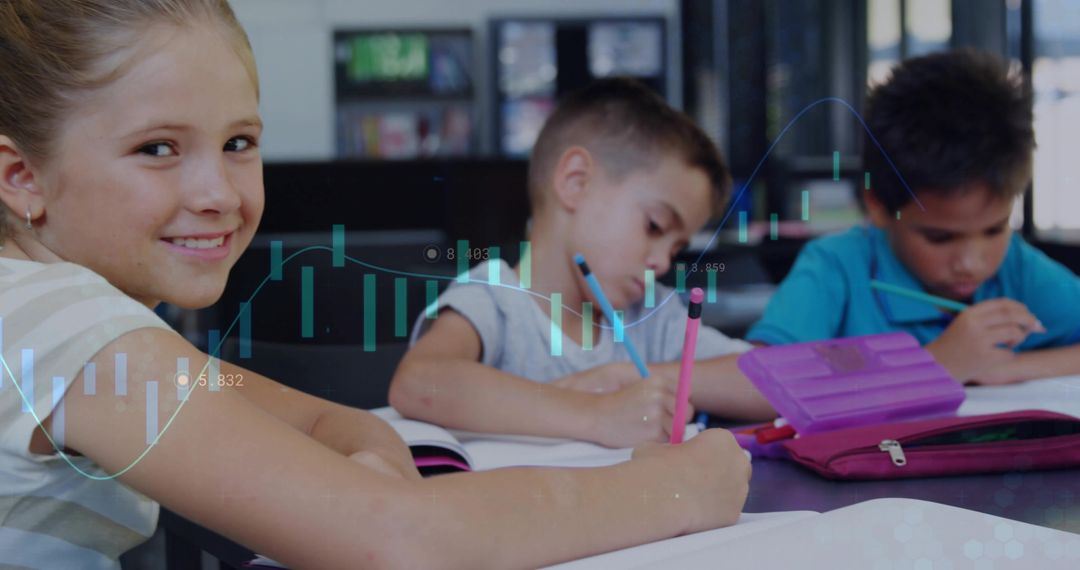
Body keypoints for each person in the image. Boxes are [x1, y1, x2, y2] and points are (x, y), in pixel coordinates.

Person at [0, 1, 750, 568]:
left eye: (239, 144)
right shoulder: (71, 327)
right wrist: (672, 492)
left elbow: (342, 426)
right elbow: (399, 539)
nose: (220, 193)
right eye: (157, 148)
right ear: (20, 176)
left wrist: (372, 477)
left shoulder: (71, 323)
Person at [391, 78, 774, 448]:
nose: (660, 262)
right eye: (654, 226)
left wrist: (624, 376)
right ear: (575, 182)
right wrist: (596, 414)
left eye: (676, 249)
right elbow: (420, 382)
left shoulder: (653, 316)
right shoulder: (494, 301)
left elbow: (776, 382)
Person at [746, 49, 1080, 385]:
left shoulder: (1016, 266)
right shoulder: (837, 267)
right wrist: (935, 364)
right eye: (940, 238)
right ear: (877, 206)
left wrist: (1009, 368)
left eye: (995, 229)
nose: (971, 262)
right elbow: (761, 381)